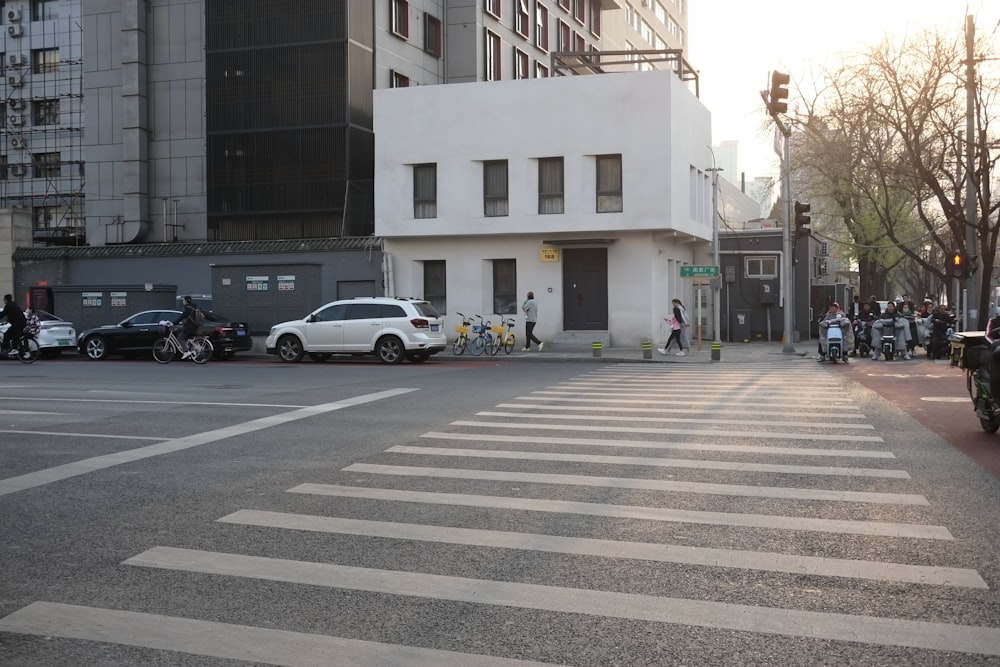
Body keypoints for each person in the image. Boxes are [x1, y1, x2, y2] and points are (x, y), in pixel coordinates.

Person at [0, 294, 27, 358]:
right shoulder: (14, 304)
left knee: (6, 334)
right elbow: (13, 314)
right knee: (14, 336)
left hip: (17, 324)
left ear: (6, 300)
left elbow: (3, 314)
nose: (4, 301)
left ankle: (6, 349)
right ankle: (18, 351)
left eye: (4, 300)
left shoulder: (8, 305)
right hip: (22, 323)